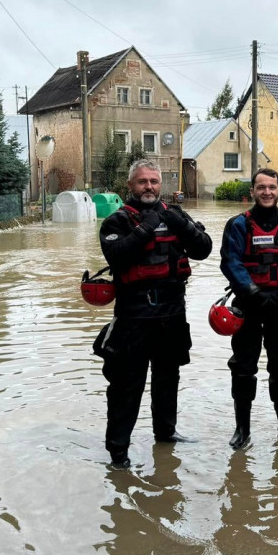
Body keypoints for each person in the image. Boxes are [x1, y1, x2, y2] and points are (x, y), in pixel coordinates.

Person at [95, 159, 212, 468]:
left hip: (172, 314)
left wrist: (181, 224)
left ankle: (166, 434)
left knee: (167, 378)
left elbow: (204, 249)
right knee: (125, 386)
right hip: (133, 316)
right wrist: (149, 224)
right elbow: (118, 255)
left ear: (162, 185)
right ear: (130, 186)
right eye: (142, 181)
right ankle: (118, 453)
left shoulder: (176, 215)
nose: (149, 186)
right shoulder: (116, 222)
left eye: (154, 181)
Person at [220, 168, 278, 449]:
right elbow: (230, 262)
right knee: (243, 368)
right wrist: (251, 292)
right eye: (261, 187)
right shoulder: (237, 225)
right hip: (248, 305)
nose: (267, 192)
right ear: (253, 191)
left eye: (272, 187)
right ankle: (242, 430)